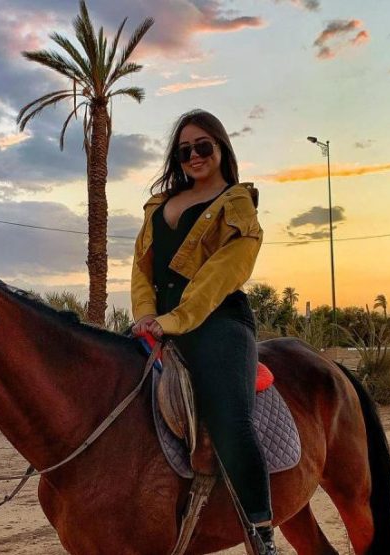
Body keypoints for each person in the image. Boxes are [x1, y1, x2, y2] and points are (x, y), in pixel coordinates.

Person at [130, 109, 275, 554]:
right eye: (184, 150)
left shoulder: (237, 206)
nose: (194, 156)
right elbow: (142, 270)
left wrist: (172, 321)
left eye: (203, 146)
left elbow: (217, 278)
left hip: (218, 322)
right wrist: (145, 315)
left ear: (221, 148)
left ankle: (261, 530)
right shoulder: (159, 205)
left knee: (230, 421)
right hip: (160, 321)